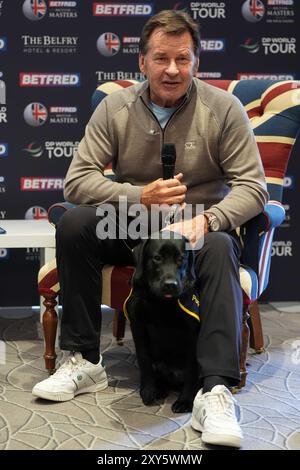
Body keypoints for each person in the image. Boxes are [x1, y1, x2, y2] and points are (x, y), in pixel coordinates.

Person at [32, 10, 268, 448]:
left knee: (217, 246)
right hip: (134, 220)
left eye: (183, 59)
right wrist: (138, 196)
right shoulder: (115, 107)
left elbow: (253, 187)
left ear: (196, 62)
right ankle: (84, 359)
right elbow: (77, 181)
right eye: (162, 58)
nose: (173, 70)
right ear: (142, 62)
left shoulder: (223, 109)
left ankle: (214, 389)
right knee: (77, 222)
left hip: (199, 227)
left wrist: (209, 218)